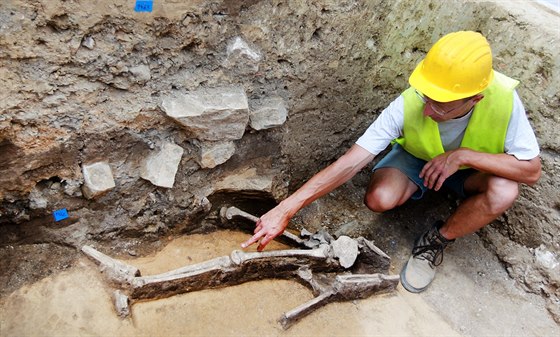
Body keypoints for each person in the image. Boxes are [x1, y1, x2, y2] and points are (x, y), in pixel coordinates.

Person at [241, 31, 541, 293]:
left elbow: (531, 170)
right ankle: (418, 189)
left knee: (504, 191)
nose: (427, 110)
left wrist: (462, 156)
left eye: (440, 104)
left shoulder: (503, 99)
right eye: (427, 96)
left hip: (470, 172)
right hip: (418, 159)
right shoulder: (409, 102)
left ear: (475, 99)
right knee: (379, 198)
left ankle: (437, 239)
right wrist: (285, 209)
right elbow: (351, 162)